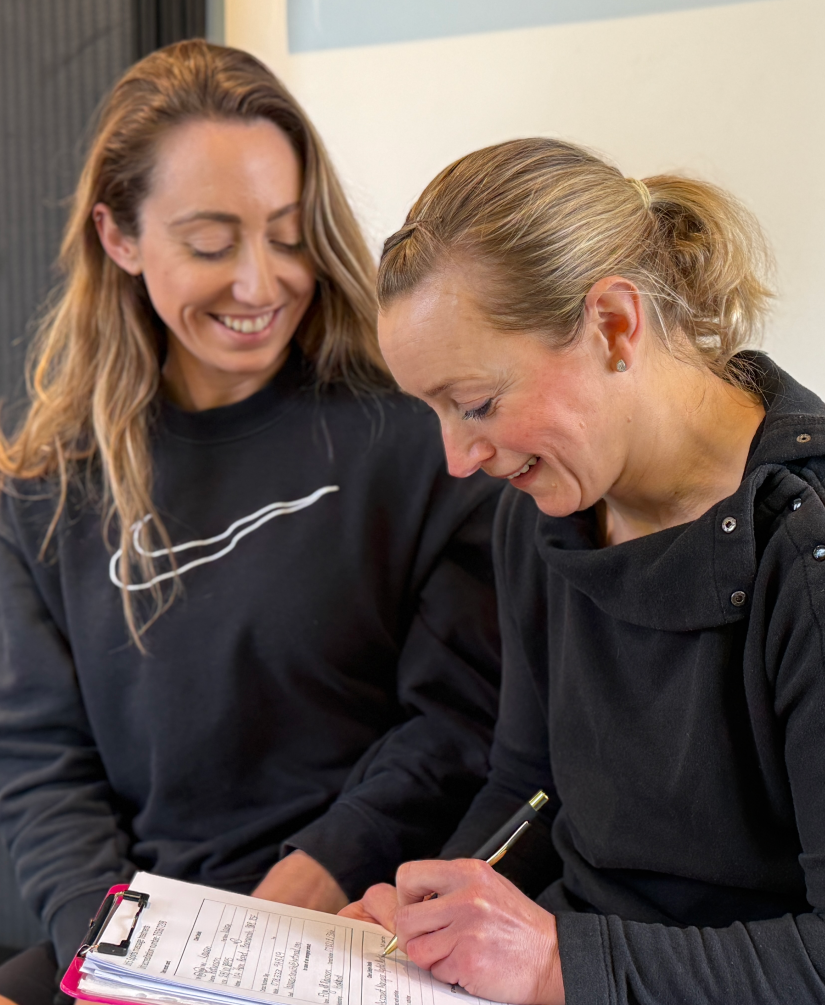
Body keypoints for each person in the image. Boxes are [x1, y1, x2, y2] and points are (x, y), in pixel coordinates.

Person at [345, 138, 825, 1005]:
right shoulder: (546, 510)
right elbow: (530, 784)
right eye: (434, 412)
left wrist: (553, 962)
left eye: (475, 405)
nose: (458, 457)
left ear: (615, 325)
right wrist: (427, 923)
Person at [0, 42, 502, 1005]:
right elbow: (41, 767)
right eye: (209, 241)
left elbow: (456, 722)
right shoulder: (47, 486)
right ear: (120, 238)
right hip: (134, 938)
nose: (260, 282)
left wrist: (288, 902)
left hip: (357, 924)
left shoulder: (413, 438)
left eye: (286, 232)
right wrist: (112, 954)